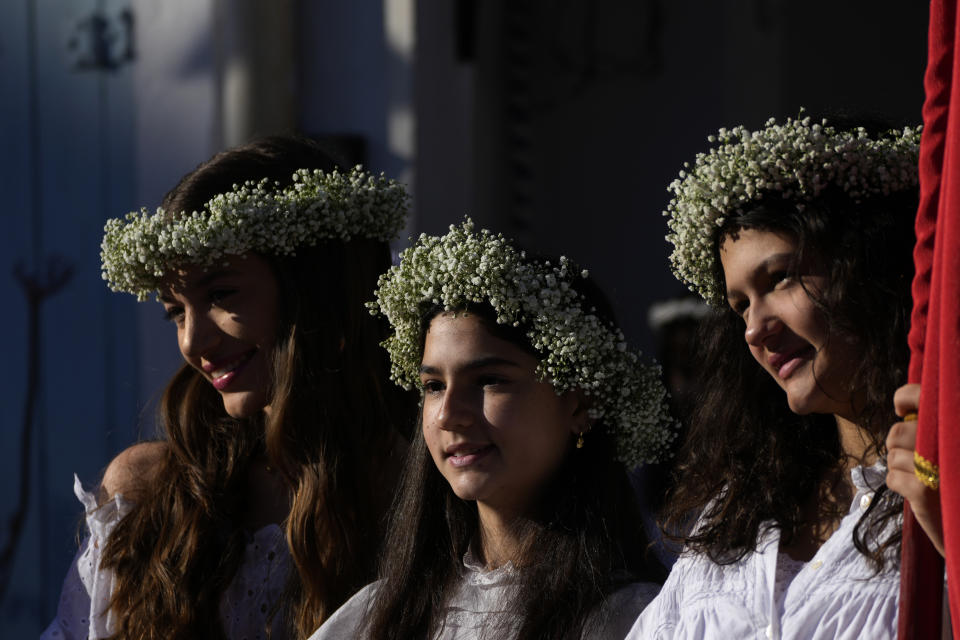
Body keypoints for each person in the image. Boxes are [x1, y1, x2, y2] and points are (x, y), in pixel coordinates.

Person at [41, 136, 415, 640]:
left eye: (221, 294)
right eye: (175, 311)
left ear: (316, 291)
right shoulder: (150, 493)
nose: (194, 340)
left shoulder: (422, 492)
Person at [309, 220, 676, 639]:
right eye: (433, 386)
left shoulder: (637, 619)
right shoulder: (380, 615)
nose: (449, 414)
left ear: (580, 402)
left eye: (489, 380)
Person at [629, 115, 921, 639]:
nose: (755, 330)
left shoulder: (938, 481)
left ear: (870, 265)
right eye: (740, 305)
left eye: (780, 278)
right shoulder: (740, 509)